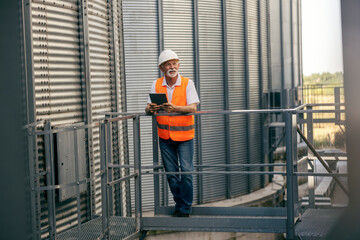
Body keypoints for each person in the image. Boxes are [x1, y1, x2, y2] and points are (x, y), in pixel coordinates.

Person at [145, 49, 200, 217]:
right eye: (168, 64)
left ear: (179, 64)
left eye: (174, 63)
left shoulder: (187, 83)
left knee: (187, 173)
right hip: (165, 137)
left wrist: (174, 108)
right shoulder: (156, 84)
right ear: (162, 68)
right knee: (171, 175)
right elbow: (148, 110)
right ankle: (180, 203)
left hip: (184, 137)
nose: (172, 66)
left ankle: (185, 208)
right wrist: (151, 109)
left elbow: (193, 108)